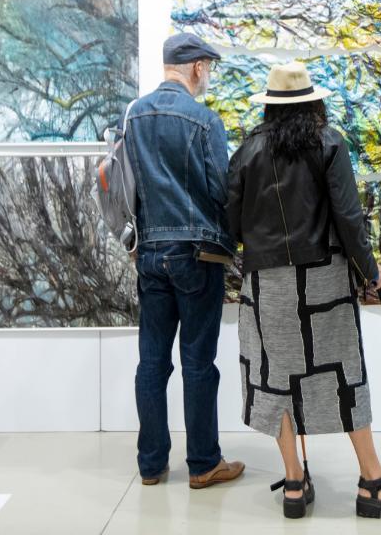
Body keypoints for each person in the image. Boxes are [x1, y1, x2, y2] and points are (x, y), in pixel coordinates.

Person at [226, 62, 381, 522]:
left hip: (266, 282)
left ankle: (294, 482)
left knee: (276, 377)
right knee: (344, 372)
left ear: (270, 107)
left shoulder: (247, 151)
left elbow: (232, 225)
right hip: (323, 278)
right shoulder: (329, 142)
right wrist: (370, 270)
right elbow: (348, 216)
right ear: (313, 103)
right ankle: (373, 479)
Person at [125, 33, 244, 489]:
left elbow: (127, 183)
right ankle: (203, 463)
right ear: (196, 67)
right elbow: (222, 189)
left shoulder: (135, 116)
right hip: (197, 253)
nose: (207, 75)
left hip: (150, 251)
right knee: (198, 362)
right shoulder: (204, 120)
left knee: (152, 362)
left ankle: (152, 464)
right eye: (207, 67)